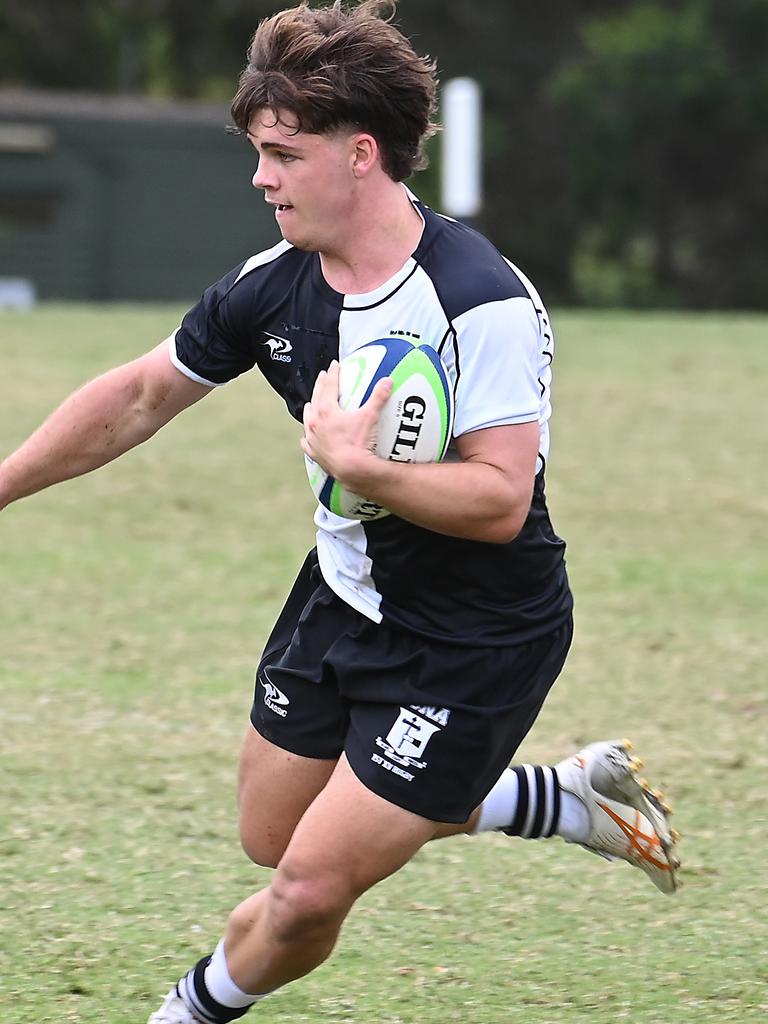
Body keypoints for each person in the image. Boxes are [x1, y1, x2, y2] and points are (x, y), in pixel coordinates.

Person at [0, 2, 680, 1021]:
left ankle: (187, 1010)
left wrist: (359, 463)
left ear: (361, 153)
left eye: (282, 153)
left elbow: (498, 500)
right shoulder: (272, 288)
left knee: (308, 885)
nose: (261, 175)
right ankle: (557, 798)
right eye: (258, 152)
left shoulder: (478, 301)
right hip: (345, 597)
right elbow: (142, 394)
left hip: (478, 636)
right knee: (274, 835)